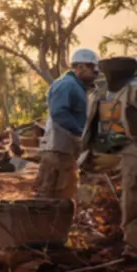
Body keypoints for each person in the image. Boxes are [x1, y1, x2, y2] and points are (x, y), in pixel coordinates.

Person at [79, 57, 137, 253]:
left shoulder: (133, 90)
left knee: (132, 198)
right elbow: (95, 124)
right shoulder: (103, 93)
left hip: (132, 150)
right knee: (130, 197)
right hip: (122, 149)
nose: (104, 77)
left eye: (107, 73)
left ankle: (133, 246)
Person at [36, 48, 97, 201]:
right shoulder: (67, 85)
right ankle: (43, 224)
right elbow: (59, 112)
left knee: (63, 194)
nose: (95, 75)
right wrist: (79, 133)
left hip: (65, 151)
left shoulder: (78, 88)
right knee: (51, 194)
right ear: (82, 67)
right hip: (57, 150)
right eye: (93, 70)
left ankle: (55, 224)